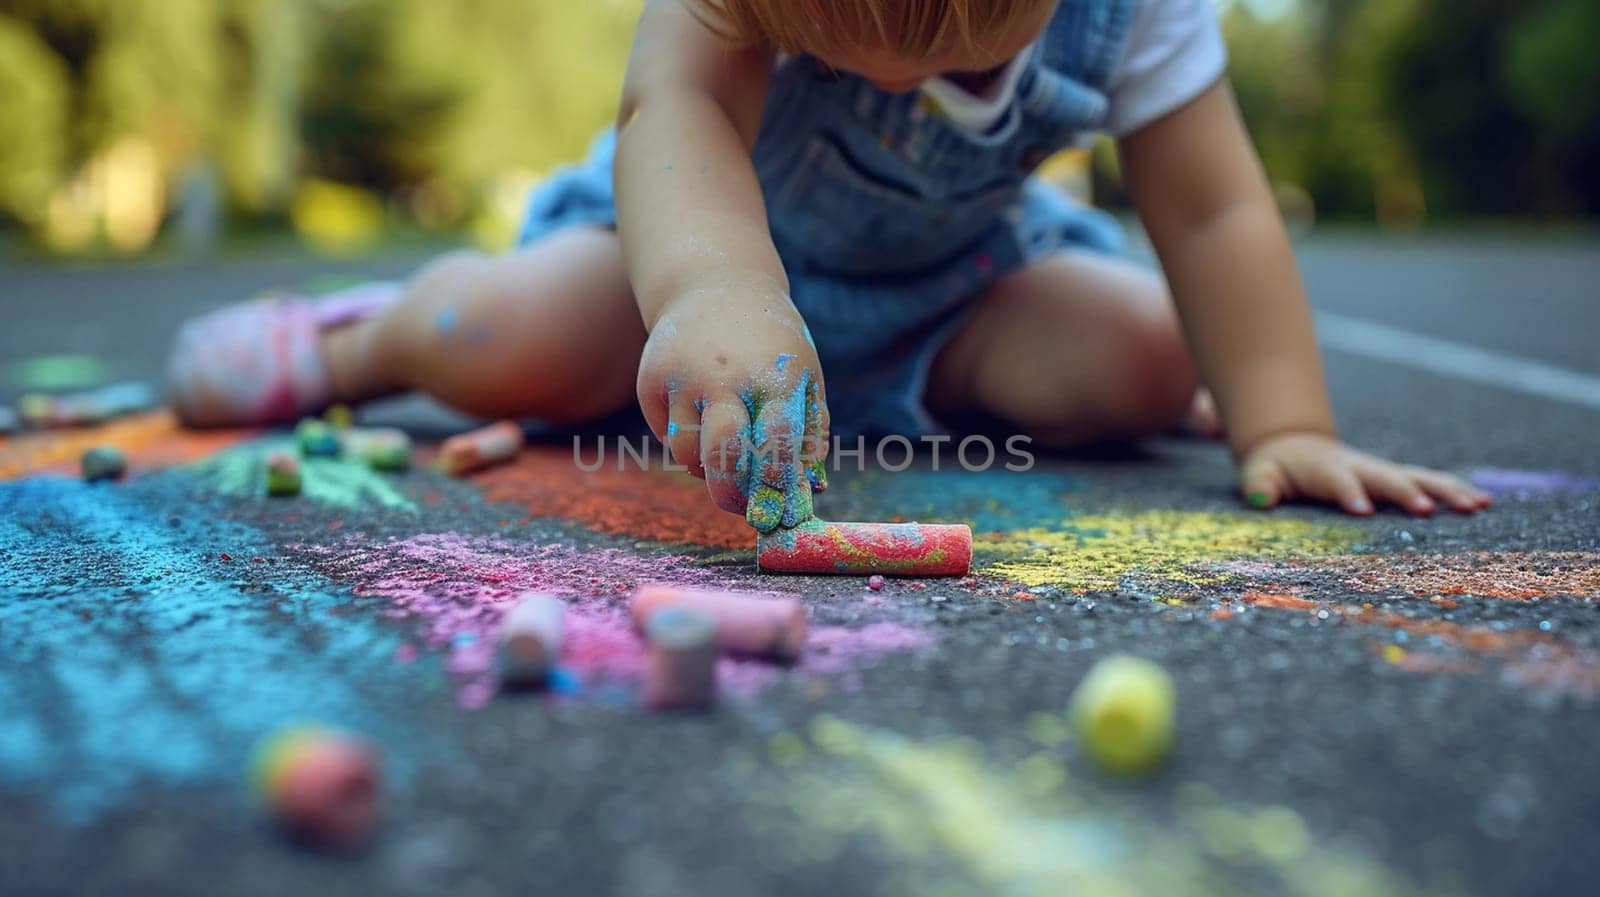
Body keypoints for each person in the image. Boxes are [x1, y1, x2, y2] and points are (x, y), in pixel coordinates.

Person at [166, 0, 1491, 531]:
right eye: (843, 47)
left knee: (1158, 353)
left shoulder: (1137, 13)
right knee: (488, 331)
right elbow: (672, 114)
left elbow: (1211, 214)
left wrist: (1287, 419)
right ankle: (353, 341)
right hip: (676, 265)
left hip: (950, 293)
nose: (909, 85)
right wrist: (709, 293)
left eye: (957, 52)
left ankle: (888, 392)